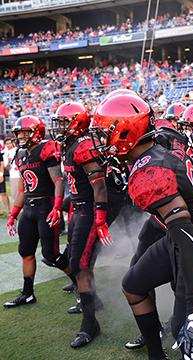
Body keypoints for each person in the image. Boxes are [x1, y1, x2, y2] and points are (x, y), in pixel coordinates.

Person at [91, 92, 193, 360]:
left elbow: (187, 239)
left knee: (185, 328)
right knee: (133, 284)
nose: (101, 142)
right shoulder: (164, 137)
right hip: (178, 234)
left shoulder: (150, 174)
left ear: (127, 132)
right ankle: (155, 355)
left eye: (105, 134)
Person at [50, 101, 111, 348]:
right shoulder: (70, 144)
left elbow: (99, 186)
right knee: (78, 265)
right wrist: (59, 207)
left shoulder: (84, 145)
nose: (60, 128)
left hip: (87, 210)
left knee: (80, 265)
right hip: (77, 209)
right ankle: (92, 304)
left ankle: (90, 324)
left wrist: (100, 218)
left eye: (64, 122)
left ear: (77, 122)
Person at [3, 115, 75, 308]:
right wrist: (12, 215)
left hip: (46, 206)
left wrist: (57, 207)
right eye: (19, 133)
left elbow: (58, 180)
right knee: (25, 251)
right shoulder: (19, 154)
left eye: (25, 132)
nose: (21, 137)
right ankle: (28, 293)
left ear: (36, 132)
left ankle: (79, 282)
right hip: (28, 208)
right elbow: (22, 189)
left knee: (51, 254)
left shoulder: (46, 149)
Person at [4, 138, 20, 203]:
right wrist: (8, 162)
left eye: (10, 143)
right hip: (13, 175)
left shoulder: (17, 150)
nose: (8, 145)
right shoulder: (6, 153)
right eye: (7, 144)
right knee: (14, 194)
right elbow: (7, 168)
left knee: (22, 193)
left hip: (20, 174)